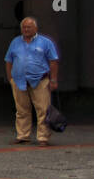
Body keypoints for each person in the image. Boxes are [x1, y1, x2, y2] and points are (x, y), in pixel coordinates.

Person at [4, 16, 60, 147]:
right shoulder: (15, 42)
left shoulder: (45, 42)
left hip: (40, 81)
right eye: (24, 27)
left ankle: (43, 138)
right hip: (19, 81)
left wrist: (53, 80)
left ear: (36, 28)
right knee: (22, 110)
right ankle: (23, 136)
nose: (26, 29)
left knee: (43, 110)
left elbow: (53, 62)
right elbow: (8, 60)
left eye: (29, 27)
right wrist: (10, 78)